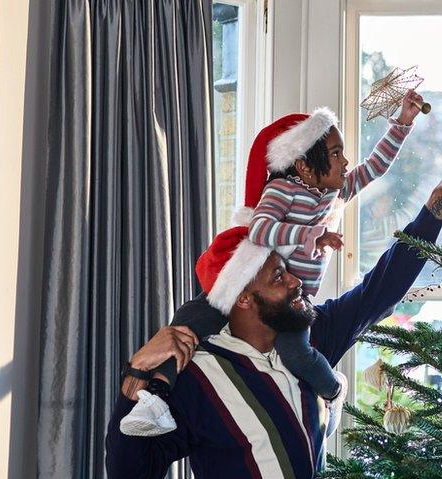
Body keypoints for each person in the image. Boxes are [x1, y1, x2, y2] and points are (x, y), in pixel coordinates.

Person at [106, 143, 442, 479]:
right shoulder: (197, 372)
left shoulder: (312, 339)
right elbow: (127, 475)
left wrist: (439, 202)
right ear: (243, 298)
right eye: (278, 277)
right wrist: (136, 376)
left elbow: (384, 286)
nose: (295, 283)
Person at [119, 95, 423, 436]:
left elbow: (375, 167)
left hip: (292, 304)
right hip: (248, 286)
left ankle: (333, 392)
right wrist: (313, 236)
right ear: (305, 166)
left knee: (297, 354)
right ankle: (153, 399)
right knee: (188, 323)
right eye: (336, 154)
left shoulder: (333, 193)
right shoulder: (283, 190)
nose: (345, 161)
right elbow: (261, 228)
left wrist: (403, 123)